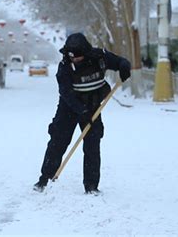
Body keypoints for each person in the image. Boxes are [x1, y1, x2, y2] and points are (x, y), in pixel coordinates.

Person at [33, 33, 131, 194]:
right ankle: (44, 179)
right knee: (58, 141)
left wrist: (124, 66)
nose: (75, 60)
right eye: (72, 57)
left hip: (93, 106)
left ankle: (91, 186)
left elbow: (120, 61)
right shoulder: (64, 66)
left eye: (78, 57)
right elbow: (66, 93)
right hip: (69, 108)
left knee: (92, 144)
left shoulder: (100, 57)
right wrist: (81, 111)